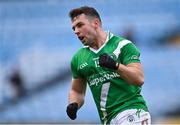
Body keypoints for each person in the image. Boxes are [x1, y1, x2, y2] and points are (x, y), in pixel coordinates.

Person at [66, 6, 151, 125]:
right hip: (108, 120)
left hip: (132, 111)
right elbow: (77, 91)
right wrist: (73, 104)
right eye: (74, 28)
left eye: (80, 25)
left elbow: (138, 78)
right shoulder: (78, 58)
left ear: (95, 23)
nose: (76, 31)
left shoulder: (122, 45)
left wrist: (116, 66)